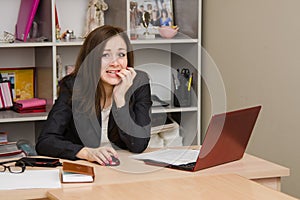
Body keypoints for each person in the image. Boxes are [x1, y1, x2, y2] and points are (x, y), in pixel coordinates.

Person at [36, 25, 152, 166]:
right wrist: (85, 152)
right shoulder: (73, 86)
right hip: (85, 167)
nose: (115, 63)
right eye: (105, 55)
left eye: (121, 54)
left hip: (124, 167)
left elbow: (138, 145)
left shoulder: (139, 82)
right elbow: (46, 141)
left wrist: (120, 100)